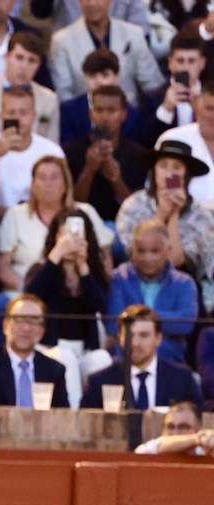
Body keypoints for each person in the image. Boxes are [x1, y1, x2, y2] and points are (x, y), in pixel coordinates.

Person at [23, 208, 113, 405]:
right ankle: (73, 421)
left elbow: (101, 307)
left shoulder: (93, 274)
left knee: (102, 359)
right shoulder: (42, 270)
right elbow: (30, 298)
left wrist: (83, 267)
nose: (70, 241)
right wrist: (56, 255)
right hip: (51, 346)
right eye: (64, 234)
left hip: (85, 348)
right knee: (66, 359)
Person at [115, 139, 214, 310]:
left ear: (186, 174)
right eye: (163, 165)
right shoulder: (134, 205)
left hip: (181, 292)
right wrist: (161, 213)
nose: (169, 173)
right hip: (134, 285)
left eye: (176, 167)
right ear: (154, 171)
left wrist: (174, 214)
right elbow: (136, 256)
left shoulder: (201, 215)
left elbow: (175, 261)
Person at [0, 154, 112, 293]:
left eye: (54, 177)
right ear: (33, 185)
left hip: (79, 294)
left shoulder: (86, 212)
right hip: (26, 294)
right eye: (42, 177)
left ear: (65, 184)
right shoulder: (15, 215)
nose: (48, 183)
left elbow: (105, 260)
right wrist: (29, 290)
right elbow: (2, 268)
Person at [106, 223, 198, 363]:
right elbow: (113, 324)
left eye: (155, 251)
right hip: (125, 356)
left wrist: (137, 315)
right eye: (141, 251)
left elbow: (185, 324)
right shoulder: (118, 279)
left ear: (168, 251)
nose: (147, 258)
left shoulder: (184, 283)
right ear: (132, 250)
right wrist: (160, 320)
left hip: (169, 359)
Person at [80, 305, 204, 409]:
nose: (135, 342)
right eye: (130, 335)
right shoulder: (100, 381)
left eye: (144, 335)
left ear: (158, 338)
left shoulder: (182, 379)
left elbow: (199, 423)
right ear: (120, 338)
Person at [0, 293, 71, 408]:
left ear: (42, 330)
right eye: (19, 319)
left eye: (34, 321)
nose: (26, 328)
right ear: (5, 325)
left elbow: (62, 416)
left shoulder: (54, 370)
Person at [0, 88, 66, 214]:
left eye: (23, 113)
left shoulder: (52, 151)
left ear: (33, 116)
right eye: (11, 112)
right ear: (1, 115)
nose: (17, 119)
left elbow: (61, 196)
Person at [62, 84, 146, 225]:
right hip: (83, 225)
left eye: (111, 110)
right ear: (91, 114)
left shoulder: (137, 155)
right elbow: (72, 205)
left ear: (123, 114)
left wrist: (116, 179)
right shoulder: (73, 151)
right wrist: (89, 170)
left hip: (122, 225)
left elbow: (135, 210)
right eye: (99, 110)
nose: (104, 117)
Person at [49, 0, 162, 104]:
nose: (92, 3)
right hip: (84, 119)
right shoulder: (62, 41)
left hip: (129, 116)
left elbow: (152, 84)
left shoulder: (133, 34)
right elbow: (64, 94)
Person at [0, 32, 61, 146]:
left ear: (39, 65)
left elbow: (51, 146)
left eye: (31, 61)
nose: (24, 66)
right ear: (6, 57)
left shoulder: (49, 99)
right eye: (19, 58)